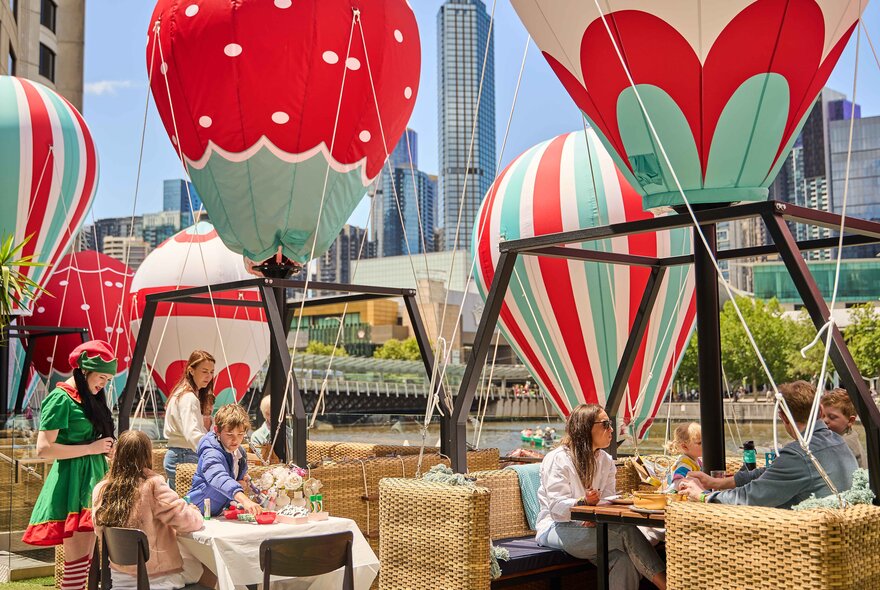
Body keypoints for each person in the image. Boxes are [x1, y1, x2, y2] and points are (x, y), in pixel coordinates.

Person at [536, 404, 666, 590]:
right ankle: (668, 585)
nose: (611, 429)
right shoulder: (557, 459)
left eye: (611, 424)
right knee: (625, 531)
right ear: (585, 427)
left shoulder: (605, 460)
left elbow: (608, 499)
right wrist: (583, 504)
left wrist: (596, 516)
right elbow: (557, 508)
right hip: (557, 528)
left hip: (593, 529)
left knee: (624, 562)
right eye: (605, 424)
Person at [22, 341, 118, 590]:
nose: (103, 384)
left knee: (83, 562)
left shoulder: (87, 398)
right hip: (72, 481)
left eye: (107, 379)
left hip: (90, 479)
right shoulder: (60, 399)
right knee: (77, 564)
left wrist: (105, 448)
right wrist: (91, 448)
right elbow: (43, 449)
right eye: (101, 377)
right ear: (84, 371)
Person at [680, 381, 857, 508]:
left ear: (783, 417)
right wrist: (718, 483)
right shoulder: (837, 441)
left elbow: (749, 497)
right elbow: (769, 472)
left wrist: (704, 496)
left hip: (798, 544)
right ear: (819, 411)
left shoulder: (799, 454)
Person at [92, 430, 215, 590]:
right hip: (157, 579)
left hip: (117, 576)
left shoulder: (101, 489)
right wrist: (194, 511)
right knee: (212, 565)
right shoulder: (152, 485)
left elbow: (99, 530)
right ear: (147, 455)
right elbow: (187, 521)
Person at [187, 404, 263, 517]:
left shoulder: (239, 452)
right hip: (200, 512)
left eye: (240, 434)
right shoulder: (211, 452)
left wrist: (241, 481)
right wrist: (244, 500)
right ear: (217, 430)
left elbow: (232, 478)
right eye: (229, 434)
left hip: (221, 513)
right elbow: (218, 477)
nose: (235, 440)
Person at [163, 350, 215, 492]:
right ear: (191, 370)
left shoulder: (183, 393)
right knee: (189, 507)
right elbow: (192, 433)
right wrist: (212, 452)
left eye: (211, 372)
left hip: (181, 454)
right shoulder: (189, 397)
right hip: (185, 455)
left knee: (179, 505)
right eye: (204, 371)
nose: (209, 376)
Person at [820, 388, 867, 470]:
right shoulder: (844, 435)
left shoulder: (844, 444)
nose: (825, 420)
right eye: (822, 416)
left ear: (850, 420)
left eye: (832, 417)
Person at [664, 422, 702, 490]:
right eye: (700, 443)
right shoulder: (685, 464)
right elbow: (677, 480)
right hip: (676, 496)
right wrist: (681, 483)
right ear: (685, 446)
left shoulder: (697, 461)